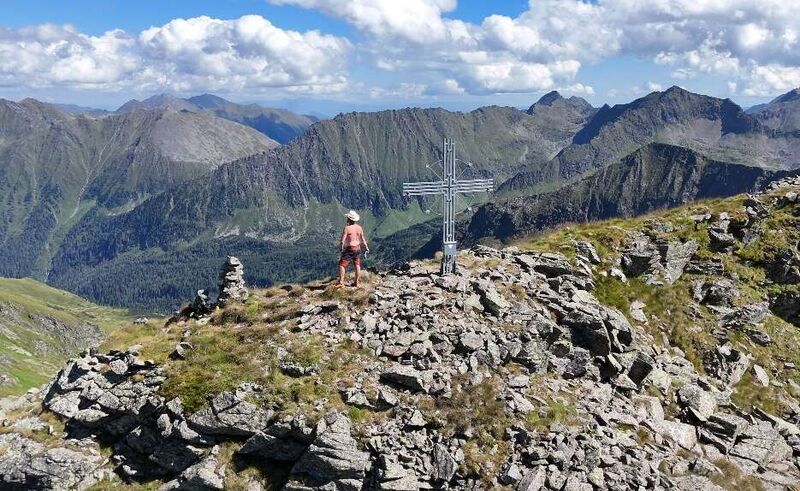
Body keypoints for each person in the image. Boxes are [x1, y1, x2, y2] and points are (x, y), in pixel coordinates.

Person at [336, 210, 369, 288]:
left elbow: (342, 240)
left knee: (342, 264)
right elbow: (363, 239)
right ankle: (356, 282)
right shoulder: (359, 228)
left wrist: (341, 249)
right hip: (358, 248)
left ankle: (341, 282)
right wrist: (366, 247)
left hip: (350, 248)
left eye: (347, 217)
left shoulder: (347, 228)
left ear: (349, 219)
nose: (347, 218)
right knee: (357, 265)